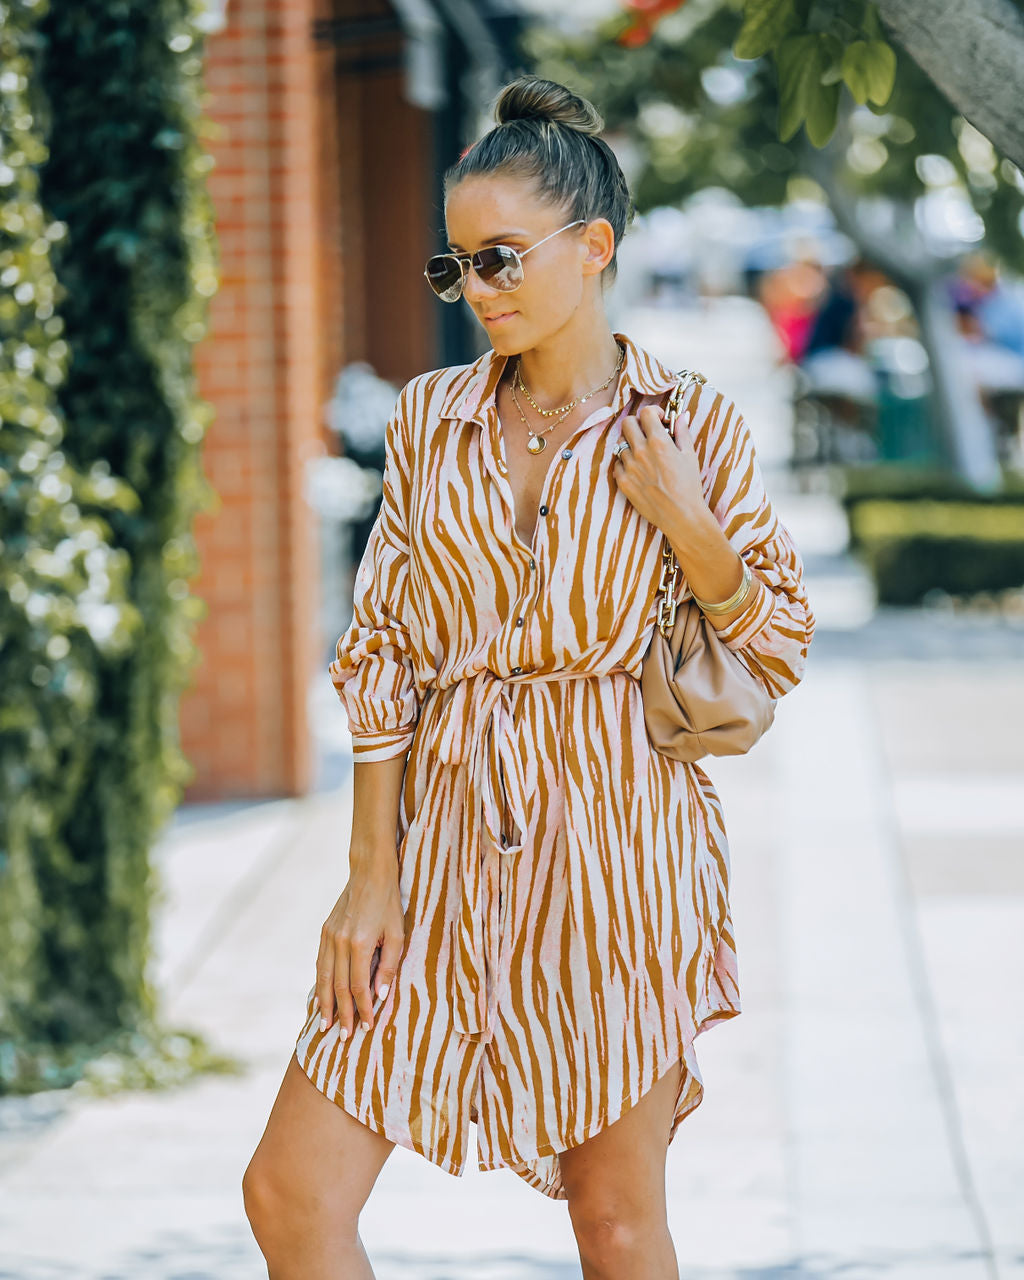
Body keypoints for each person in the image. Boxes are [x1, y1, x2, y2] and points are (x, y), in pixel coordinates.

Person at [242, 75, 814, 1278]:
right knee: (291, 1189)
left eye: (500, 258)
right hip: (441, 851)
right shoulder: (428, 419)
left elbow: (775, 643)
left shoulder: (687, 421)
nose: (478, 291)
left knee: (613, 1226)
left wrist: (690, 524)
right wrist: (367, 877)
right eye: (456, 268)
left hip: (619, 853)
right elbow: (384, 654)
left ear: (592, 246)